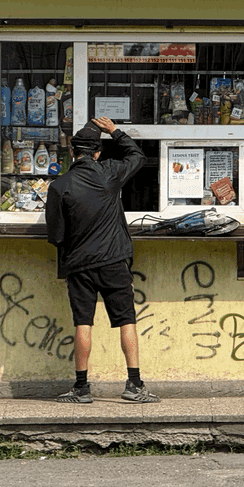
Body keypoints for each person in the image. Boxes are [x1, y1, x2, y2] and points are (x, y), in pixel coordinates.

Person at [45, 115, 159, 403]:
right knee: (126, 320)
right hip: (114, 260)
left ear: (72, 152)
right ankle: (134, 385)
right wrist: (115, 131)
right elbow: (137, 156)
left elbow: (57, 235)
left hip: (79, 265)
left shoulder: (60, 187)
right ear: (97, 152)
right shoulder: (109, 173)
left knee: (83, 322)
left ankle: (82, 389)